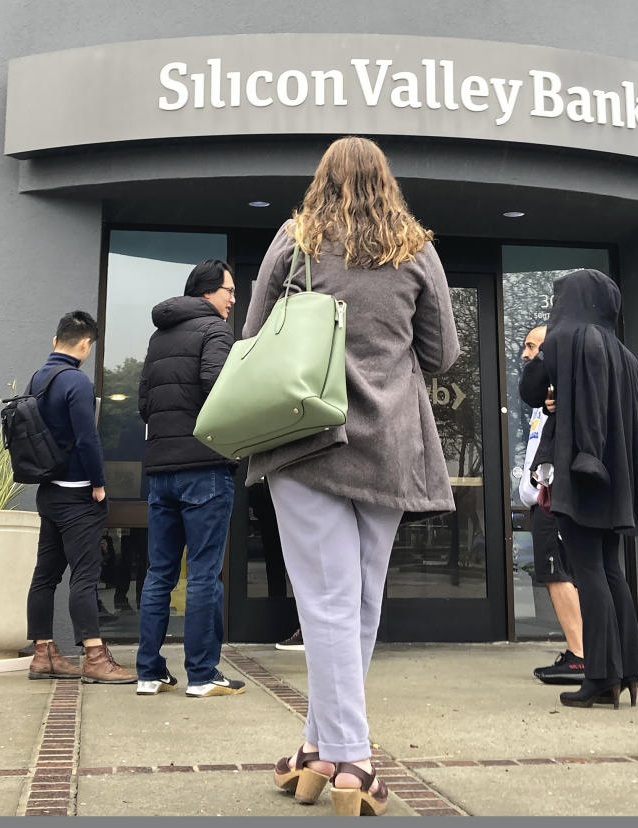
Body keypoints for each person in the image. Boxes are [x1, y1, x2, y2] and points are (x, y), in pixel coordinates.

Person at [253, 136, 459, 817]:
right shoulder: (416, 249)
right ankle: (319, 749)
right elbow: (444, 353)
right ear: (385, 181)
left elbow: (253, 336)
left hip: (305, 440)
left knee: (326, 602)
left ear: (322, 180)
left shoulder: (296, 240)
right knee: (359, 601)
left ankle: (351, 759)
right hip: (390, 444)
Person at [520, 269, 638, 709]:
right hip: (617, 477)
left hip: (580, 470)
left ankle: (599, 675)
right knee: (611, 568)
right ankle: (627, 669)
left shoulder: (565, 341)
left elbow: (528, 389)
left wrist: (545, 368)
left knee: (586, 570)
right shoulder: (623, 354)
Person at [135, 259, 246, 699]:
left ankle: (149, 672)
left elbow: (144, 404)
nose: (233, 299)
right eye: (229, 291)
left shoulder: (159, 337)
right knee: (203, 574)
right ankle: (202, 674)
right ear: (206, 292)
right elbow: (218, 385)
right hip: (205, 468)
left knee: (159, 573)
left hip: (161, 470)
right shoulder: (216, 331)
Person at [25, 310, 137, 684]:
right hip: (76, 495)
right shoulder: (77, 382)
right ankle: (94, 655)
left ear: (55, 340)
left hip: (48, 493)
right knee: (85, 577)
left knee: (45, 575)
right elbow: (88, 439)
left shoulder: (38, 378)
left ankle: (43, 653)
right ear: (86, 344)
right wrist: (99, 483)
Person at [518, 324, 585, 684]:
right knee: (557, 574)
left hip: (552, 501)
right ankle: (582, 651)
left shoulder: (561, 397)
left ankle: (579, 654)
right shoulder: (541, 401)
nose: (527, 354)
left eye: (533, 347)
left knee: (557, 574)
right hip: (542, 500)